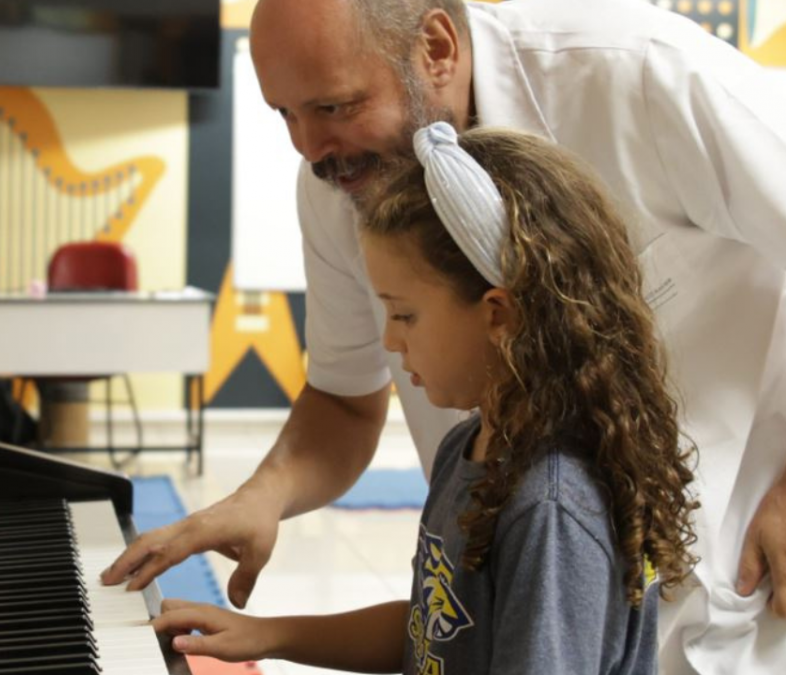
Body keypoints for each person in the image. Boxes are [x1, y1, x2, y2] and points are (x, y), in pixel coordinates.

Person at [103, 0, 786, 671]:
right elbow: (346, 401)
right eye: (284, 113)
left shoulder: (637, 71)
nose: (308, 147)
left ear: (435, 48)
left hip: (744, 591)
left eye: (334, 106)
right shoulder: (343, 181)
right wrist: (260, 502)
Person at [152, 122, 699, 673]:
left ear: (498, 315)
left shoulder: (550, 509)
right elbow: (432, 629)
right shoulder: (470, 444)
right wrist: (266, 635)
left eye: (405, 314)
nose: (391, 340)